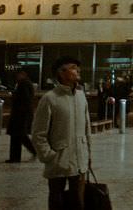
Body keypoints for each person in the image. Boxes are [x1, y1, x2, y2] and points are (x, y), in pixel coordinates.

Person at [32, 56, 92, 210]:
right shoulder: (50, 98)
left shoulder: (81, 96)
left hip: (80, 159)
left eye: (77, 67)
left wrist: (88, 154)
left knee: (77, 201)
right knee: (56, 200)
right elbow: (39, 132)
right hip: (59, 159)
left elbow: (87, 128)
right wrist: (49, 156)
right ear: (61, 73)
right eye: (73, 67)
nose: (77, 70)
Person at [6, 70, 36, 163]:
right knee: (19, 136)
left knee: (19, 135)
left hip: (21, 115)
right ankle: (15, 157)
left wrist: (14, 96)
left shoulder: (24, 84)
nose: (16, 77)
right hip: (22, 114)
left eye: (18, 75)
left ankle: (18, 156)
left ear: (22, 75)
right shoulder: (25, 83)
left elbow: (25, 98)